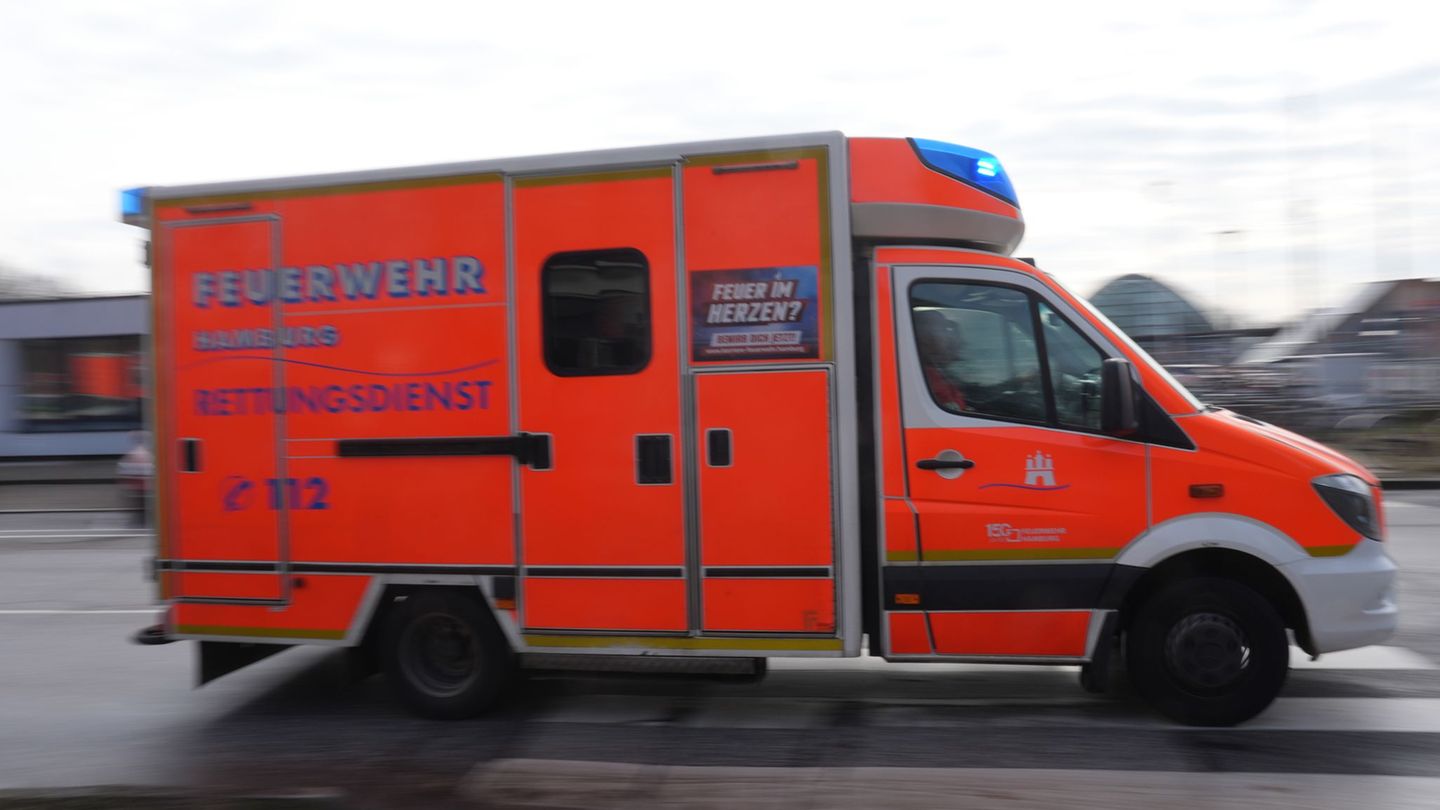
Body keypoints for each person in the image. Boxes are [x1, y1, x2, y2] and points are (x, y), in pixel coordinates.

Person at [913, 309, 968, 413]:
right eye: (943, 330)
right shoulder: (928, 379)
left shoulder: (939, 373)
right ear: (926, 339)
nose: (950, 338)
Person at [117, 430, 153, 528]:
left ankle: (140, 521)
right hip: (144, 484)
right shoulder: (147, 453)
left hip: (138, 484)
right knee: (143, 503)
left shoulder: (135, 453)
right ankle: (142, 521)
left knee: (140, 503)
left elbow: (125, 469)